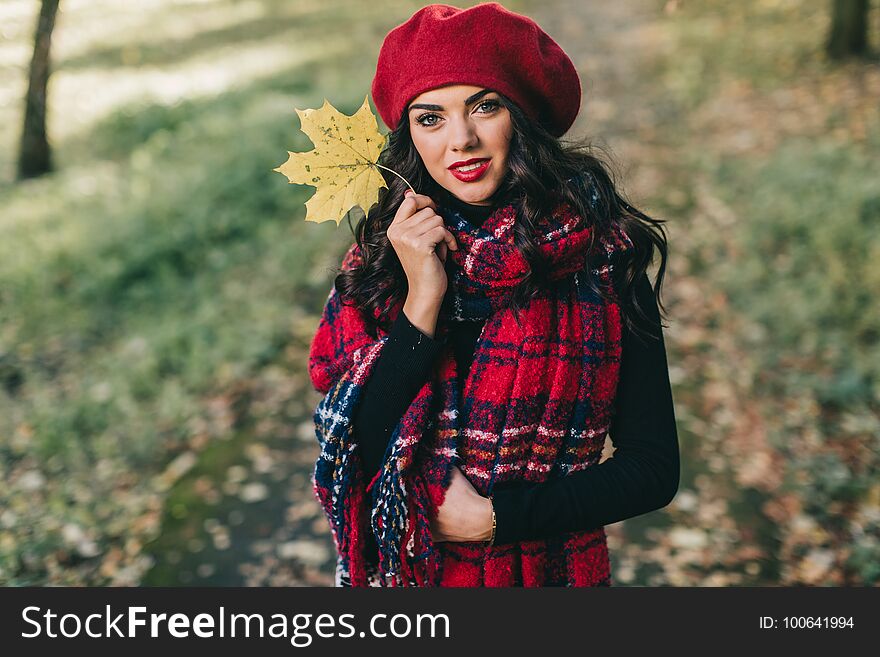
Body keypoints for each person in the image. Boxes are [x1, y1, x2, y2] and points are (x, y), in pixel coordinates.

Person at [308, 2, 679, 587]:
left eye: (485, 106)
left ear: (523, 118)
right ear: (409, 136)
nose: (462, 140)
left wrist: (497, 521)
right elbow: (354, 447)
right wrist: (422, 301)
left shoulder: (603, 256)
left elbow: (652, 469)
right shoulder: (382, 260)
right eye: (430, 118)